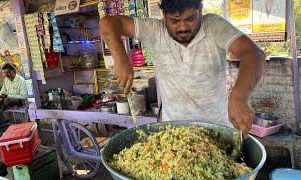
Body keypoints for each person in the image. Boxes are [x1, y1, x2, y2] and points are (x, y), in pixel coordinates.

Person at [99, 0, 265, 136]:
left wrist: (238, 98)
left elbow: (253, 53)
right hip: (174, 131)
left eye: (190, 19)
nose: (183, 27)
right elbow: (108, 22)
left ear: (200, 9)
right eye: (175, 21)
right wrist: (120, 57)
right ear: (164, 15)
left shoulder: (214, 26)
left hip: (217, 129)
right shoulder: (154, 30)